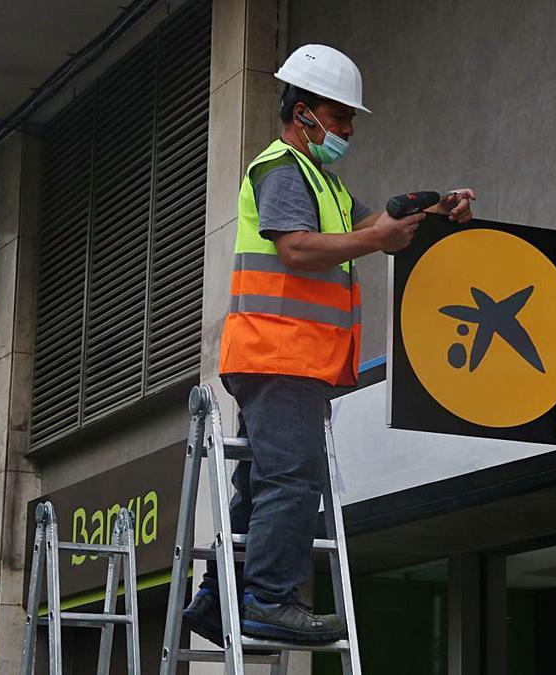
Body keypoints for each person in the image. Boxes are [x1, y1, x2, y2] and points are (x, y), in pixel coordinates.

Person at [183, 43, 475, 645]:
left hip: (287, 358)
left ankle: (218, 600)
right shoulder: (283, 170)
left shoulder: (326, 184)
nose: (346, 130)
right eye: (339, 118)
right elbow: (295, 248)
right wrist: (379, 240)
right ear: (303, 113)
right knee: (293, 479)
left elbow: (375, 228)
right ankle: (268, 599)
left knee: (265, 481)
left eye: (347, 120)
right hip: (280, 354)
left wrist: (435, 211)